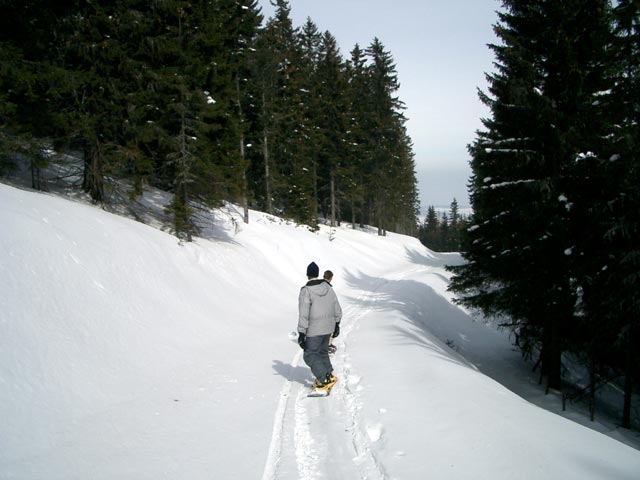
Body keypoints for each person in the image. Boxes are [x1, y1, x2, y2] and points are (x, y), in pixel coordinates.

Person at [297, 262, 342, 391]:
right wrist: (337, 324)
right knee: (322, 352)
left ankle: (324, 380)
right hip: (328, 328)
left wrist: (301, 332)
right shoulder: (328, 287)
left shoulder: (306, 291)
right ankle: (329, 374)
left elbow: (303, 313)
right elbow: (337, 308)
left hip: (314, 329)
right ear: (317, 274)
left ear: (307, 275)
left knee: (310, 354)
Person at [323, 270, 339, 355]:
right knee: (333, 330)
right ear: (331, 278)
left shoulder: (318, 285)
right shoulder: (329, 289)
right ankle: (327, 345)